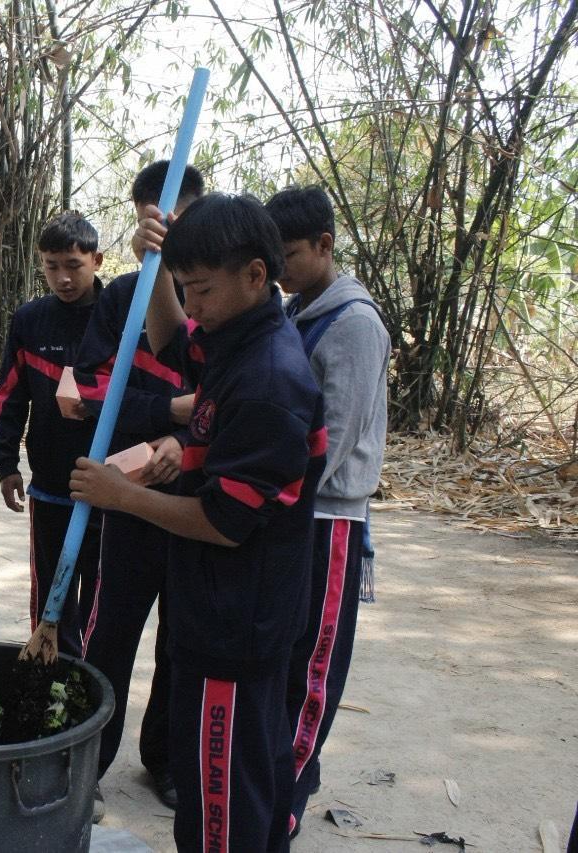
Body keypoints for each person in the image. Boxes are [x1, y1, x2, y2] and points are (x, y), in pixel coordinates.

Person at [70, 193, 326, 852]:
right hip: (218, 615)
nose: (194, 305)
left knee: (220, 807)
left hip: (235, 628)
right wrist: (155, 267)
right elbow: (169, 337)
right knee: (236, 792)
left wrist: (119, 494)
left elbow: (225, 520)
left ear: (256, 275)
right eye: (186, 288)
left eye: (202, 289)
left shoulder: (269, 380)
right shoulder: (235, 339)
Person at [69, 161, 203, 810]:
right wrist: (169, 417)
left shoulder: (224, 297)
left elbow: (226, 402)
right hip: (127, 493)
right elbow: (91, 394)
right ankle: (86, 763)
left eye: (180, 216)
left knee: (184, 634)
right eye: (157, 216)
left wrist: (186, 436)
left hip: (195, 501)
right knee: (110, 631)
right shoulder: (121, 297)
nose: (169, 228)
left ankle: (168, 759)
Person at [265, 185, 390, 837]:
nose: (279, 270)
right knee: (284, 654)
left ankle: (289, 795)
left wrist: (276, 498)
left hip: (328, 518)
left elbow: (333, 442)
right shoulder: (297, 309)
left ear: (324, 246)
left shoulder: (354, 323)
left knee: (314, 666)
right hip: (295, 512)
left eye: (288, 256)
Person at [0, 212, 105, 661]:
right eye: (50, 265)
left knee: (100, 596)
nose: (62, 278)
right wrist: (5, 464)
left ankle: (92, 682)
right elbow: (10, 397)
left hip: (111, 488)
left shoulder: (121, 315)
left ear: (96, 259)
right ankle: (51, 678)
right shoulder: (31, 321)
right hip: (51, 485)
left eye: (73, 266)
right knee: (50, 596)